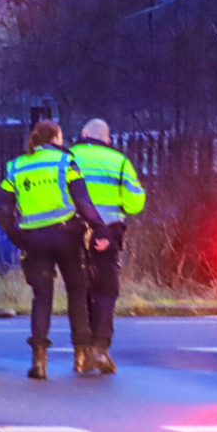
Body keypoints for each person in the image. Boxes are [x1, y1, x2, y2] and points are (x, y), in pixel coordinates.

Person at [0, 120, 111, 380]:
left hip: (34, 240)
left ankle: (39, 361)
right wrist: (100, 228)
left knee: (42, 297)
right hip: (67, 236)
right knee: (77, 292)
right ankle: (81, 356)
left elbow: (2, 209)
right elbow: (82, 200)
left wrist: (18, 236)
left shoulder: (16, 166)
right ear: (56, 138)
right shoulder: (65, 162)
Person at [69, 119, 146, 374]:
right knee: (105, 291)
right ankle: (100, 349)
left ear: (84, 133)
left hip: (73, 233)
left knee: (79, 291)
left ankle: (81, 352)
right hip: (107, 234)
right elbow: (135, 203)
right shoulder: (119, 162)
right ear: (107, 139)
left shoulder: (68, 158)